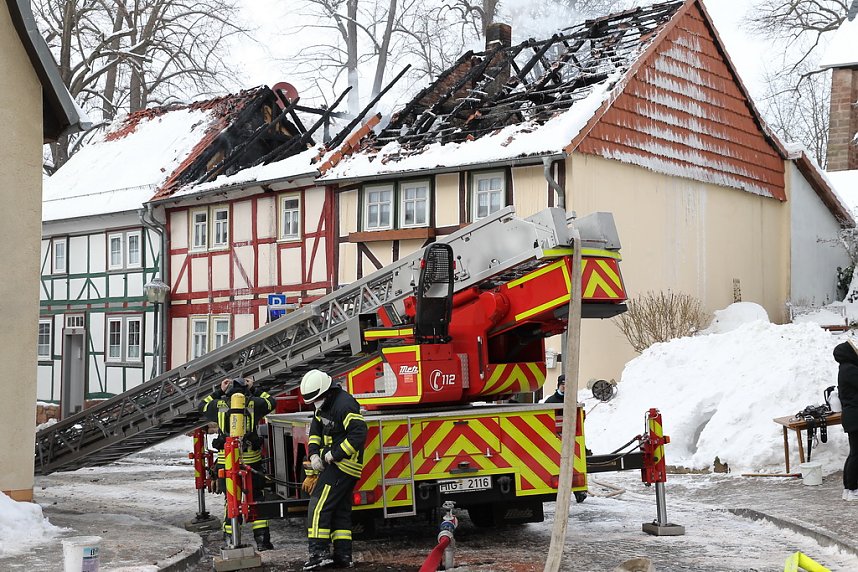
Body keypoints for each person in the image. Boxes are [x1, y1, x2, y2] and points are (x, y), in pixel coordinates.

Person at [300, 369, 367, 570]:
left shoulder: (344, 405)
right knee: (340, 511)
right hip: (334, 465)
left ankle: (319, 554)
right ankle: (343, 555)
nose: (315, 404)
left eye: (317, 399)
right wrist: (313, 454)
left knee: (319, 506)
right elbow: (316, 430)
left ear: (326, 391)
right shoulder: (324, 404)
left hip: (343, 465)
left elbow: (358, 433)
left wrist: (334, 454)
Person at [198, 376, 276, 549]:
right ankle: (263, 542)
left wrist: (219, 391)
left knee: (231, 500)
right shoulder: (254, 403)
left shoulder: (219, 405)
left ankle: (231, 538)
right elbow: (271, 402)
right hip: (252, 462)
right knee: (257, 498)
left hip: (228, 462)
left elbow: (202, 405)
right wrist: (254, 388)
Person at [833, 339, 858, 501]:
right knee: (856, 454)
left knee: (855, 453)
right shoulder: (849, 369)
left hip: (852, 417)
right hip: (855, 418)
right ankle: (851, 488)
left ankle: (850, 488)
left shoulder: (846, 368)